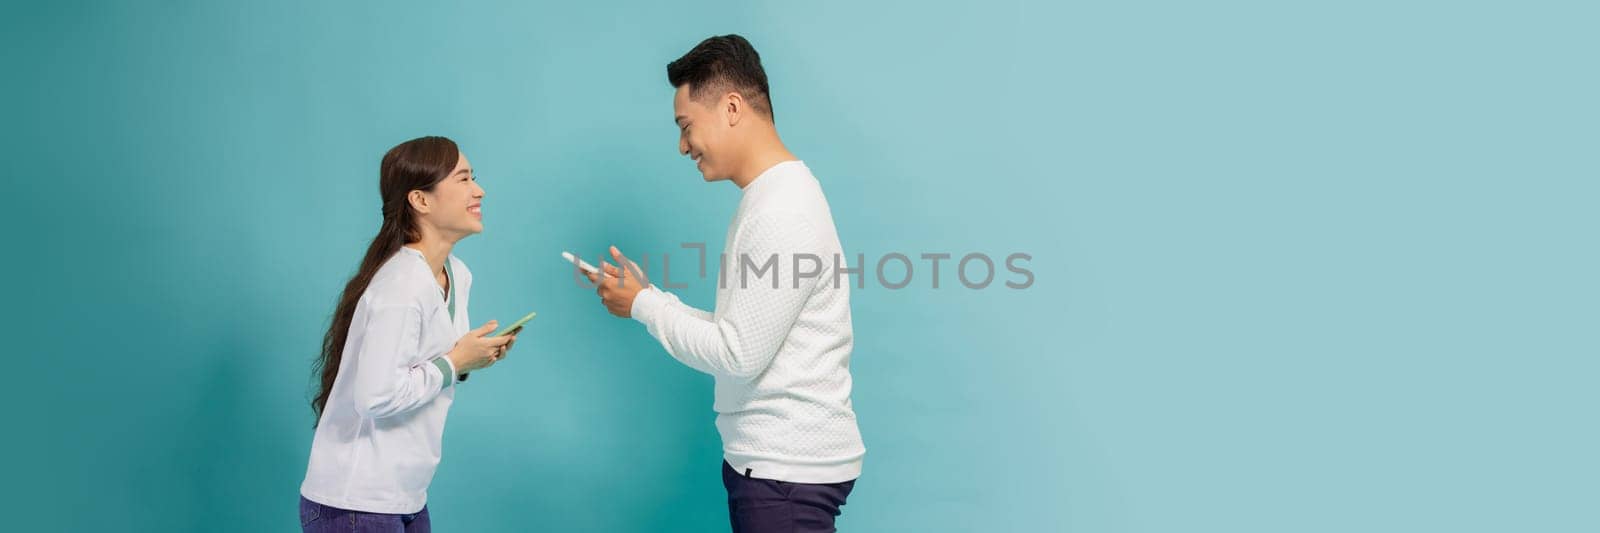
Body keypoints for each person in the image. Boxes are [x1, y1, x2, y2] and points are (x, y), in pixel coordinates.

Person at [586, 35, 865, 533]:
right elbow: (743, 333)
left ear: (732, 108)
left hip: (784, 472)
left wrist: (645, 305)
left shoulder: (781, 209)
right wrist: (648, 299)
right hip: (781, 469)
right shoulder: (773, 197)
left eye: (686, 126)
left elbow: (737, 353)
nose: (682, 145)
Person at [300, 135, 519, 532]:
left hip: (406, 495)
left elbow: (429, 364)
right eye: (464, 179)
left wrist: (473, 357)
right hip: (357, 502)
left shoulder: (458, 274)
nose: (479, 190)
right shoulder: (400, 286)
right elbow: (376, 397)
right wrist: (456, 362)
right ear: (420, 200)